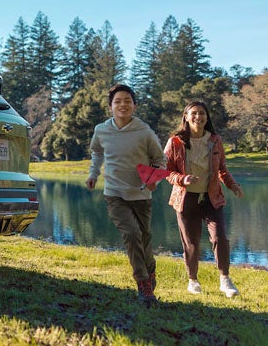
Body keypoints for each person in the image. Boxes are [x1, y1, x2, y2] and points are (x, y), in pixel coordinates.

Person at [86, 84, 166, 306]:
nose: (123, 104)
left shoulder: (144, 132)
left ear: (134, 105)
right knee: (131, 235)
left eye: (127, 100)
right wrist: (93, 173)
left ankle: (150, 273)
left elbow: (160, 160)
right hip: (114, 193)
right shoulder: (101, 130)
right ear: (110, 106)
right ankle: (143, 284)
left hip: (141, 195)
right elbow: (96, 151)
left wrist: (153, 179)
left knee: (145, 239)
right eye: (118, 101)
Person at [163, 101, 244, 298]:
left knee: (220, 237)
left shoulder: (215, 140)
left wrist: (233, 185)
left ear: (207, 117)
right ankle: (193, 281)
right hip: (185, 198)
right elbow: (165, 171)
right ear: (186, 117)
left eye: (202, 113)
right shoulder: (175, 141)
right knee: (191, 242)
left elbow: (222, 169)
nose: (198, 117)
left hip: (211, 198)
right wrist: (182, 179)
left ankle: (225, 280)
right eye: (194, 113)